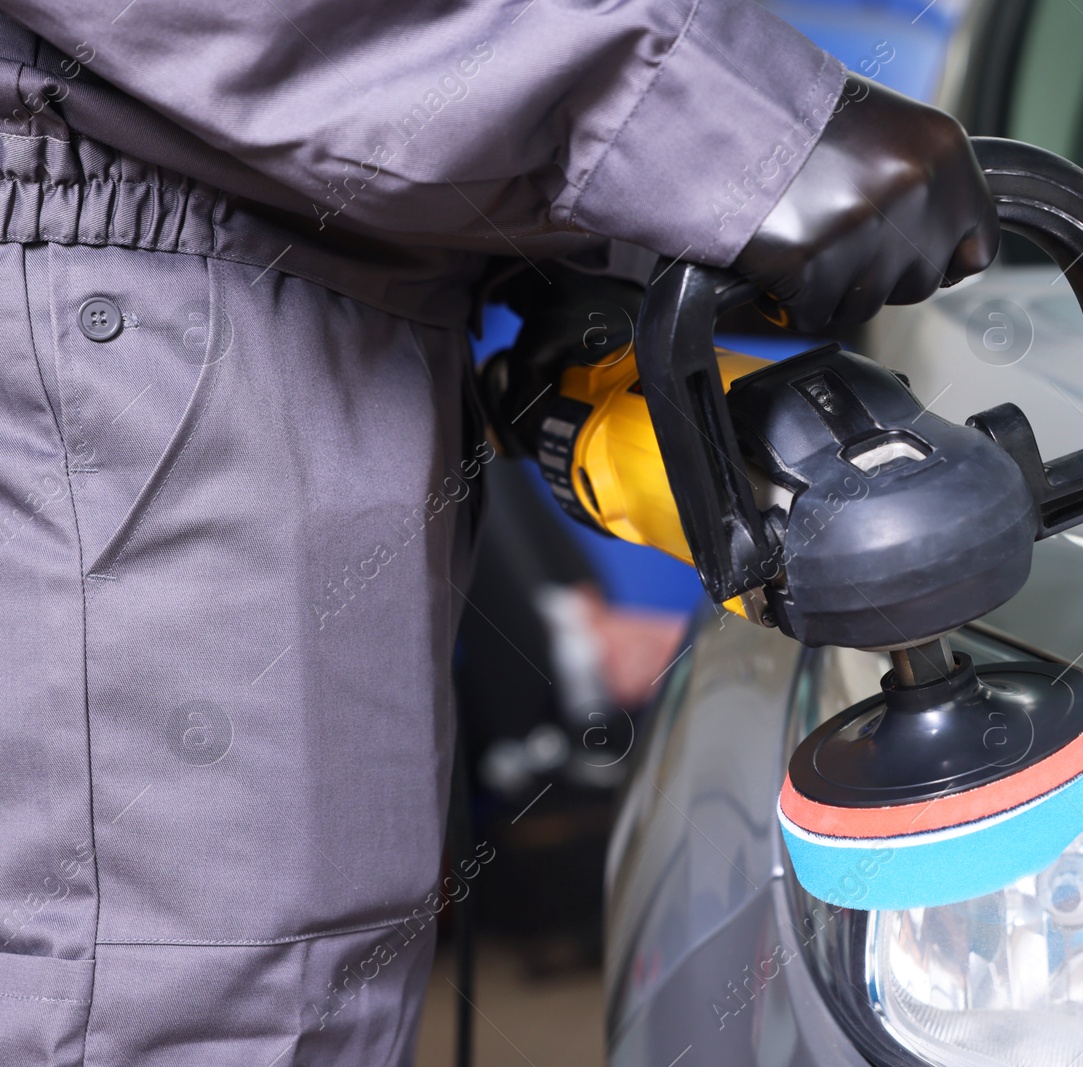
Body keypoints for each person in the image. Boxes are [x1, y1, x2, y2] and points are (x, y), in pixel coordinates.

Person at [0, 0, 997, 1062]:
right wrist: (736, 120)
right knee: (198, 999)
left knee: (288, 993)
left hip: (268, 310)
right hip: (156, 339)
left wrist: (559, 233)